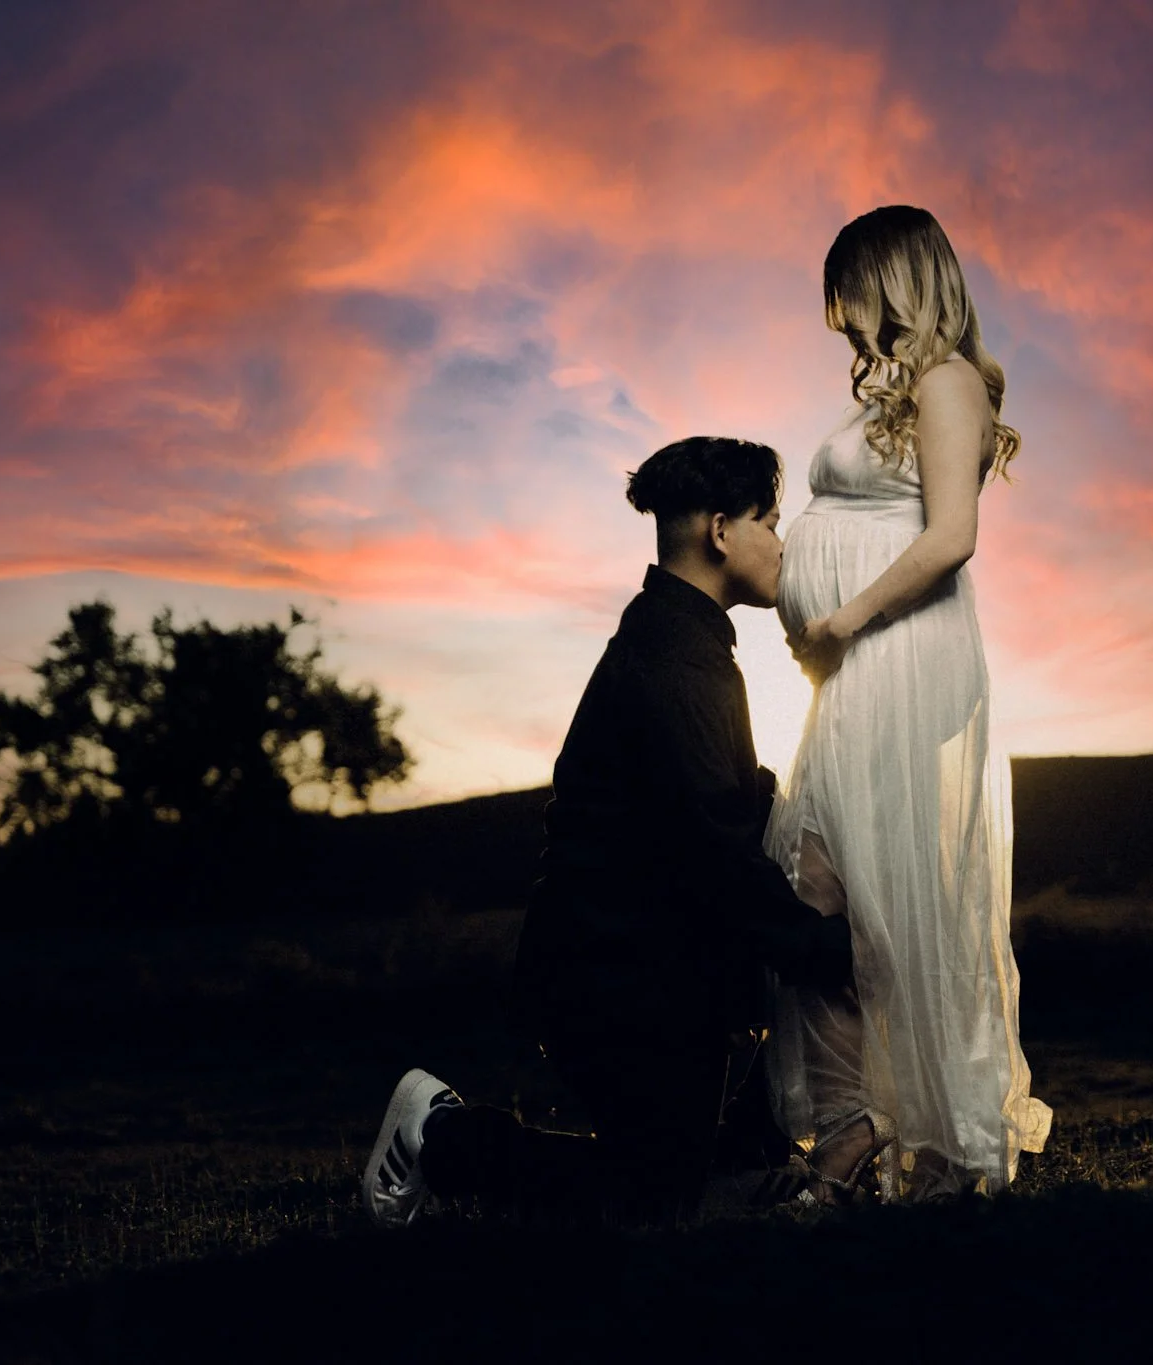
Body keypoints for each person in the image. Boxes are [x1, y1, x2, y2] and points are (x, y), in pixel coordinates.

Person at [362, 436, 855, 1227]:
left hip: (646, 971)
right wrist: (826, 948)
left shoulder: (680, 640)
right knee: (649, 1198)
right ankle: (442, 1132)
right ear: (721, 531)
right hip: (616, 980)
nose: (781, 543)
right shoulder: (674, 661)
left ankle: (748, 1158)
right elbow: (714, 851)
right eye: (770, 521)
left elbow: (727, 810)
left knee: (688, 1179)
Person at [770, 205, 1054, 1204]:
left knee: (890, 903)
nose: (839, 316)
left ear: (890, 279)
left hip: (901, 656)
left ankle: (922, 1139)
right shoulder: (890, 390)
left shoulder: (947, 382)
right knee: (816, 891)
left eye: (846, 289)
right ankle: (855, 1127)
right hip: (857, 668)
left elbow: (949, 537)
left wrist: (842, 617)